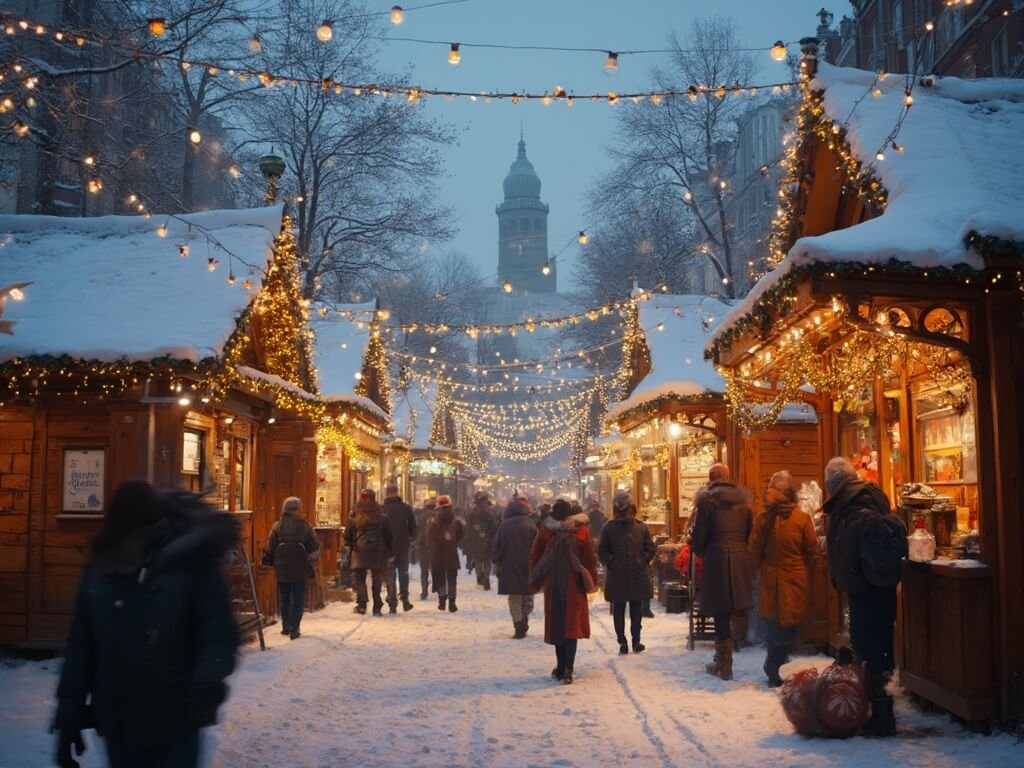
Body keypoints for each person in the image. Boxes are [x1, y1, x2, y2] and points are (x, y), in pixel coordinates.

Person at [54, 481, 238, 768]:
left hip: (176, 717)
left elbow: (218, 633)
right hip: (120, 722)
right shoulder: (102, 567)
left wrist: (205, 682)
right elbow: (81, 647)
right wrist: (68, 715)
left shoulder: (189, 562)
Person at [823, 456, 901, 737]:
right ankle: (878, 710)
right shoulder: (872, 497)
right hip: (880, 583)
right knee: (875, 647)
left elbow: (848, 547)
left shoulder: (852, 506)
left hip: (864, 585)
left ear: (834, 483)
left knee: (870, 649)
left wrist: (846, 574)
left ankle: (881, 715)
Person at [748, 471, 817, 687]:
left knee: (773, 624)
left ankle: (775, 665)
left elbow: (754, 552)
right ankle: (780, 664)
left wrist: (760, 569)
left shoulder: (763, 519)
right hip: (795, 577)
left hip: (771, 579)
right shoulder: (802, 518)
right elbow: (811, 549)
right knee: (789, 624)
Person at [691, 463, 753, 681]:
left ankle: (723, 664)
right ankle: (733, 648)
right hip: (739, 557)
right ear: (728, 477)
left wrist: (702, 550)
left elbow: (698, 538)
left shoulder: (707, 502)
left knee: (720, 611)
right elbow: (748, 532)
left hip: (716, 559)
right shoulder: (743, 502)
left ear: (711, 479)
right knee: (736, 606)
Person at [529, 499, 597, 685]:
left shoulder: (546, 531)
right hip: (574, 584)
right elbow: (590, 558)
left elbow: (536, 556)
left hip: (554, 584)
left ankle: (561, 667)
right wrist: (591, 582)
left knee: (558, 624)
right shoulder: (581, 531)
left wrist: (536, 579)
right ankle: (568, 668)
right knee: (571, 626)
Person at [599, 492, 657, 655]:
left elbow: (650, 549)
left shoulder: (636, 527)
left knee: (627, 609)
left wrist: (641, 560)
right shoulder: (615, 528)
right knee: (629, 608)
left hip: (629, 573)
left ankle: (628, 641)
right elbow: (603, 551)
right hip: (626, 574)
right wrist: (616, 562)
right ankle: (629, 641)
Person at [263, 496, 321, 639]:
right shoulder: (304, 525)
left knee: (284, 596)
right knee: (298, 597)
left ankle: (286, 627)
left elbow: (270, 546)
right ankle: (295, 628)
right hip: (299, 563)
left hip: (282, 564)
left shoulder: (277, 525)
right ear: (298, 509)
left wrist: (270, 561)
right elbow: (314, 545)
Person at [492, 496, 539, 638]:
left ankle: (518, 622)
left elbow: (497, 547)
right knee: (528, 594)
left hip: (509, 565)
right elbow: (537, 547)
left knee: (514, 596)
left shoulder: (504, 526)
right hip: (528, 565)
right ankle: (525, 617)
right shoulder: (530, 525)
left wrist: (497, 562)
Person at [345, 489, 393, 616]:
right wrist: (390, 552)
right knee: (377, 577)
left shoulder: (354, 514)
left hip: (359, 550)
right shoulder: (381, 515)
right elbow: (389, 535)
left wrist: (350, 546)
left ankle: (362, 603)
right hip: (378, 550)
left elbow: (348, 534)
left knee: (358, 577)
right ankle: (377, 605)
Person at [382, 483, 417, 613]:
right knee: (403, 572)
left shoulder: (383, 509)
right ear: (397, 492)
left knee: (390, 574)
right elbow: (413, 527)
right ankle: (405, 599)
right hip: (403, 545)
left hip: (387, 547)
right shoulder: (406, 508)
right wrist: (411, 539)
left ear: (387, 493)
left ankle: (392, 601)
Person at [429, 495, 464, 612]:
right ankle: (452, 602)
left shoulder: (434, 521)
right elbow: (461, 535)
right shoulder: (455, 520)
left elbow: (430, 537)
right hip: (451, 553)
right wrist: (453, 542)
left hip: (438, 553)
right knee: (452, 578)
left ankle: (442, 600)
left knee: (440, 578)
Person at [468, 491, 499, 590]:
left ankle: (479, 577)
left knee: (477, 560)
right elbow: (495, 526)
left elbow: (468, 526)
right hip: (488, 540)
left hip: (476, 540)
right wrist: (486, 533)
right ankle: (486, 578)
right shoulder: (490, 512)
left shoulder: (472, 512)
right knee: (487, 561)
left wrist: (476, 532)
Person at [414, 497, 437, 600]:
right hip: (435, 547)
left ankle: (424, 591)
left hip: (422, 546)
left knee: (424, 570)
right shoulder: (438, 517)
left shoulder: (420, 517)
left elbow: (415, 530)